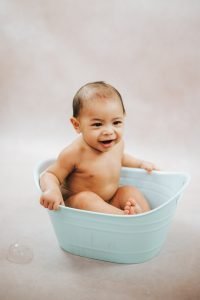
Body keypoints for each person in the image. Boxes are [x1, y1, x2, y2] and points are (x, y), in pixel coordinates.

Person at [40, 81, 158, 215]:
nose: (109, 131)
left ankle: (144, 217)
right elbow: (50, 175)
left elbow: (122, 158)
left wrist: (140, 163)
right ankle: (125, 218)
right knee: (86, 198)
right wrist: (52, 190)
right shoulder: (75, 153)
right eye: (97, 124)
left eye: (116, 122)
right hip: (79, 207)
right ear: (77, 125)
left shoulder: (117, 144)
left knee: (129, 191)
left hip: (108, 202)